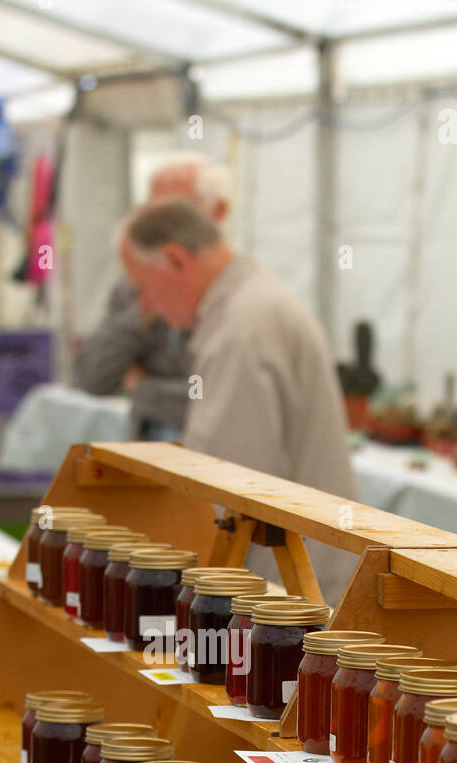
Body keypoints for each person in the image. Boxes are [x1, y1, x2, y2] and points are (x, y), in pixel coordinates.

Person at [118, 197, 355, 596]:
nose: (146, 307)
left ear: (177, 261)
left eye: (143, 288)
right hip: (301, 573)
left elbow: (223, 490)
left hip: (287, 591)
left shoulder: (241, 330)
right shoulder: (252, 302)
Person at [73, 156, 232, 441]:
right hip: (151, 445)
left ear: (217, 213)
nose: (158, 231)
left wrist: (144, 387)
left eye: (177, 214)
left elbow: (218, 398)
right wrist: (145, 307)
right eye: (152, 214)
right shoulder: (135, 288)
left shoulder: (237, 295)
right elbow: (90, 377)